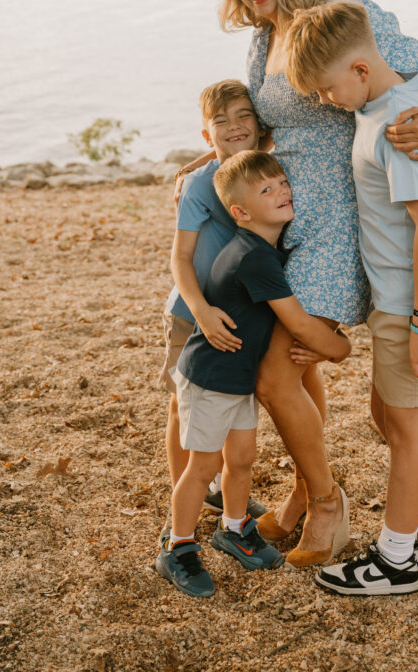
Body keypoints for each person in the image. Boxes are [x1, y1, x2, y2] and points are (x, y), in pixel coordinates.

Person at [176, 0, 418, 568]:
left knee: (277, 376)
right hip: (280, 217)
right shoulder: (258, 43)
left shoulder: (344, 14)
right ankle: (305, 498)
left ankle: (327, 504)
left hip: (337, 219)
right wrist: (217, 161)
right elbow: (264, 129)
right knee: (295, 368)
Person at [284, 0, 418, 596]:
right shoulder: (383, 102)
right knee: (390, 417)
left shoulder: (400, 125)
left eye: (325, 89)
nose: (323, 101)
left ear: (362, 70)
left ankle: (394, 563)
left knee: (410, 430)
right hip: (403, 300)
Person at [156, 150, 351, 598]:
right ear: (240, 212)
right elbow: (300, 324)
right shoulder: (253, 258)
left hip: (237, 375)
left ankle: (234, 527)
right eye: (268, 189)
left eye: (282, 181)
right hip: (211, 376)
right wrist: (340, 350)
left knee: (242, 456)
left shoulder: (263, 248)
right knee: (203, 465)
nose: (283, 190)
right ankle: (177, 546)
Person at [160, 80, 267, 541]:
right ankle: (181, 493)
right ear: (207, 135)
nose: (234, 127)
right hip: (192, 310)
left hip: (240, 314)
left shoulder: (265, 175)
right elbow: (180, 258)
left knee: (228, 405)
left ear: (260, 125)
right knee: (182, 408)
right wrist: (201, 309)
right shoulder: (201, 186)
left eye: (243, 116)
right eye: (220, 122)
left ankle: (222, 490)